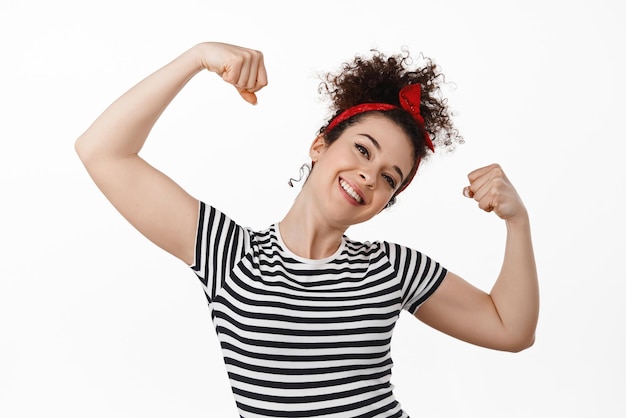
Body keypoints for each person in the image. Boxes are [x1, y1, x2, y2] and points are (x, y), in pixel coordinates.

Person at [75, 41, 539, 417]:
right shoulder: (228, 254)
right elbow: (102, 151)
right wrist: (194, 58)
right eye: (362, 149)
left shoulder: (391, 268)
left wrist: (517, 222)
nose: (370, 176)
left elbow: (510, 329)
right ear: (320, 145)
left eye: (389, 178)